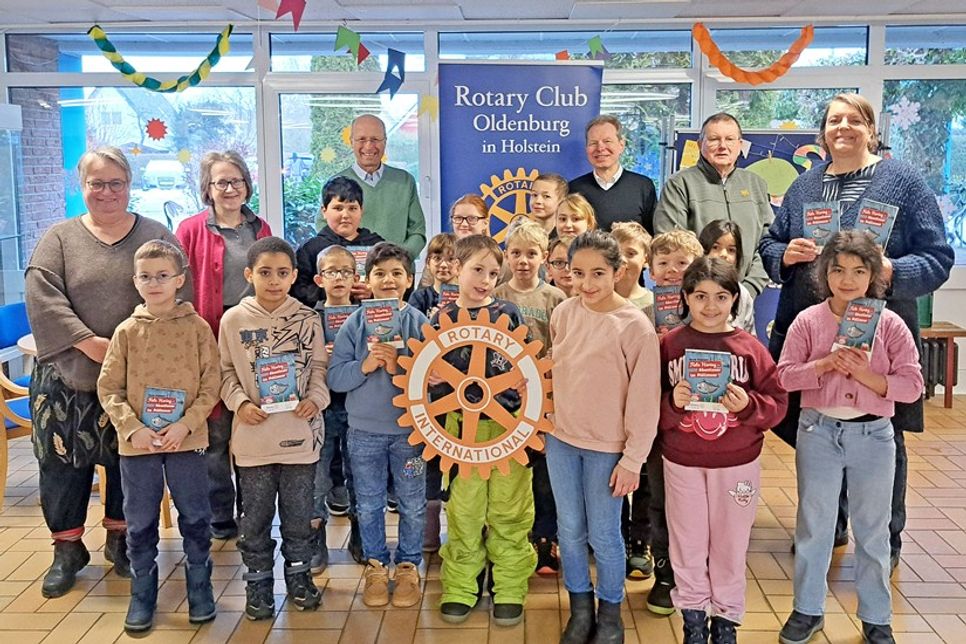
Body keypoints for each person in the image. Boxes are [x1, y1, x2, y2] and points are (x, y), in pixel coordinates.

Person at [759, 93, 954, 570]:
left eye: (853, 120)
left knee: (881, 433)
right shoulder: (805, 186)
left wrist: (889, 270)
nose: (841, 128)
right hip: (812, 332)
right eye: (832, 121)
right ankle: (831, 524)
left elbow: (938, 257)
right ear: (822, 132)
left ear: (871, 128)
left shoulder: (902, 182)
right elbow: (769, 242)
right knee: (817, 429)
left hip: (878, 337)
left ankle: (884, 540)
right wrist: (783, 255)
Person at [25, 146, 188, 598]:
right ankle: (67, 550)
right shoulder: (58, 239)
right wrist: (89, 342)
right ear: (82, 187)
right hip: (67, 375)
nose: (107, 191)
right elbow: (43, 297)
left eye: (116, 182)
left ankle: (122, 541)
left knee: (129, 462)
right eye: (96, 183)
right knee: (61, 465)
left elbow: (176, 288)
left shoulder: (156, 234)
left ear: (129, 185)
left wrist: (129, 347)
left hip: (137, 376)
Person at [776, 231, 924, 644]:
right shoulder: (808, 321)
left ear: (873, 276)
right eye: (838, 270)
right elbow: (785, 375)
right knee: (814, 526)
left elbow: (912, 385)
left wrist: (868, 376)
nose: (847, 279)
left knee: (873, 531)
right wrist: (823, 365)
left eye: (859, 271)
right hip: (818, 432)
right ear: (824, 274)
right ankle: (807, 610)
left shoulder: (890, 323)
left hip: (874, 437)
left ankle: (877, 617)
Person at [660, 256, 788, 644]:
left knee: (731, 543)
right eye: (700, 296)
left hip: (737, 464)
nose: (710, 306)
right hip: (682, 461)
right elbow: (646, 406)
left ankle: (727, 620)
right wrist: (673, 403)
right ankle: (694, 618)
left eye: (720, 296)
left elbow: (778, 404)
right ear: (686, 297)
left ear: (735, 299)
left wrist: (747, 406)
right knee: (687, 542)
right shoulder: (669, 345)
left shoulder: (749, 349)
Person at [97, 240, 220, 634]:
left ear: (179, 280)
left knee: (197, 515)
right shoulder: (126, 331)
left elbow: (211, 383)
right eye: (146, 276)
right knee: (139, 520)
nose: (154, 283)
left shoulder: (198, 328)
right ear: (135, 282)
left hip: (187, 440)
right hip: (139, 445)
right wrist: (134, 428)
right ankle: (143, 591)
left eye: (163, 276)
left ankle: (200, 585)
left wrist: (186, 424)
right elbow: (109, 388)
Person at [547, 230, 660, 643]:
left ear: (619, 272)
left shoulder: (634, 327)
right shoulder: (563, 314)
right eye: (577, 273)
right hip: (561, 441)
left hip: (607, 452)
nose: (587, 283)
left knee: (605, 535)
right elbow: (555, 368)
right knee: (570, 529)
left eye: (598, 273)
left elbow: (645, 401)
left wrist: (633, 459)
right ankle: (580, 608)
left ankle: (610, 613)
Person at [218, 237, 329, 620]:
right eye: (264, 272)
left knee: (299, 515)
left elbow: (319, 368)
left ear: (295, 276)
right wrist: (240, 404)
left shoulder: (308, 319)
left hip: (300, 435)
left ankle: (299, 577)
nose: (274, 280)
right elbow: (225, 372)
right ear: (249, 274)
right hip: (253, 439)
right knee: (255, 516)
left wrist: (316, 398)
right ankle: (258, 583)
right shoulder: (232, 320)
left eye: (283, 273)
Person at [432, 235, 534, 627]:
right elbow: (426, 372)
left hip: (510, 430)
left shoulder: (508, 313)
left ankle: (509, 586)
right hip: (459, 433)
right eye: (477, 270)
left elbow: (527, 365)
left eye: (494, 273)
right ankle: (460, 585)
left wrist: (525, 382)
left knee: (511, 511)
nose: (486, 280)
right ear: (455, 268)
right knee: (464, 511)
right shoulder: (439, 318)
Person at [176, 150, 271, 541]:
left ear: (247, 185)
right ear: (207, 189)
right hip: (208, 336)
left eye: (237, 181)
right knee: (215, 432)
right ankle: (220, 511)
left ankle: (254, 509)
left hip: (253, 339)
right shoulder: (189, 229)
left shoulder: (260, 228)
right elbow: (179, 286)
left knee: (251, 424)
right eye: (221, 182)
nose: (230, 189)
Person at [328, 242, 429, 608]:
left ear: (409, 280)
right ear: (366, 280)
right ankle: (375, 564)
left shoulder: (419, 322)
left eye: (396, 273)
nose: (388, 280)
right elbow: (336, 378)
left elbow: (434, 377)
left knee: (412, 503)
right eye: (380, 273)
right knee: (368, 503)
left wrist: (399, 366)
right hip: (364, 432)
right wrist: (366, 366)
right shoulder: (355, 324)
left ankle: (408, 564)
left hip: (410, 432)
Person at [493, 222, 566, 576]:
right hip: (506, 399)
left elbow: (563, 345)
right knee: (511, 473)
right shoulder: (496, 295)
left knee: (545, 475)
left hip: (547, 399)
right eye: (516, 253)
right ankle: (509, 536)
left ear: (545, 258)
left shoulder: (556, 299)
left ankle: (545, 538)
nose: (523, 261)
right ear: (506, 256)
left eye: (532, 254)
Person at [644, 227, 704, 617]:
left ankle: (696, 572)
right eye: (662, 264)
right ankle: (664, 573)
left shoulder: (710, 313)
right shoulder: (642, 313)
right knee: (659, 501)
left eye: (681, 264)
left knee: (696, 505)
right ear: (649, 270)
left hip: (701, 430)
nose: (670, 272)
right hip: (656, 425)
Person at [654, 112, 773, 297]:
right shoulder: (680, 184)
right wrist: (703, 292)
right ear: (700, 144)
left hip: (744, 298)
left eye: (730, 139)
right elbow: (671, 246)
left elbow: (768, 244)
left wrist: (747, 290)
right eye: (714, 139)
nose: (722, 146)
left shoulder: (756, 184)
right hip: (694, 298)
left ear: (740, 145)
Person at [311, 245, 364, 571]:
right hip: (321, 408)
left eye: (346, 271)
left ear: (356, 277)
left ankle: (361, 533)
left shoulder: (369, 317)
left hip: (358, 406)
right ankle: (316, 539)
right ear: (319, 278)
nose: (339, 278)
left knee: (359, 473)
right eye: (332, 272)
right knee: (316, 477)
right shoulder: (308, 319)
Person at [317, 114, 426, 260]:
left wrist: (398, 260)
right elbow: (323, 228)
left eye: (375, 139)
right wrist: (347, 261)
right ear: (351, 142)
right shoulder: (336, 183)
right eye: (361, 139)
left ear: (385, 142)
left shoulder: (405, 181)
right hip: (351, 275)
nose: (369, 146)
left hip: (396, 276)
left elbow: (417, 232)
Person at [294, 176, 382, 308]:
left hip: (370, 320)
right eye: (338, 208)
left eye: (352, 208)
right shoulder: (311, 249)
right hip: (324, 321)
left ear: (361, 211)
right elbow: (298, 291)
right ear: (324, 211)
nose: (345, 215)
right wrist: (335, 290)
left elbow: (393, 284)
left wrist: (374, 291)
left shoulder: (377, 246)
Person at [569, 115, 657, 233]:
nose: (600, 148)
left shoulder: (643, 187)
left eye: (607, 141)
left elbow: (651, 236)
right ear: (586, 148)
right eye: (593, 143)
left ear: (621, 145)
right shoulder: (573, 189)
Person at [699, 220, 756, 334]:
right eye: (715, 247)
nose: (723, 254)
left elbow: (749, 338)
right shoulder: (691, 287)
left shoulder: (743, 294)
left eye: (731, 250)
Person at [409, 232, 458, 318]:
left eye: (451, 259)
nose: (443, 265)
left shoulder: (467, 297)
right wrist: (432, 321)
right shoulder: (419, 297)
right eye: (437, 258)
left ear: (459, 264)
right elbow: (412, 329)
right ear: (428, 262)